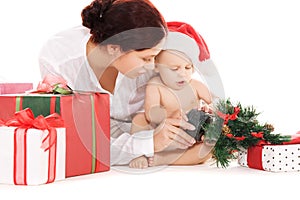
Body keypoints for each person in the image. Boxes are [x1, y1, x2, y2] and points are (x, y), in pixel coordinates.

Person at [38, 0, 197, 167]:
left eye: (154, 58)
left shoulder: (152, 49)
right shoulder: (60, 60)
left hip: (146, 133)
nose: (152, 65)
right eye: (146, 59)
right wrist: (150, 143)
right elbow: (81, 144)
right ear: (114, 48)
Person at [129, 22, 217, 169]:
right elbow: (151, 112)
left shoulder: (195, 86)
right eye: (174, 68)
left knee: (209, 147)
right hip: (160, 136)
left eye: (188, 67)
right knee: (139, 119)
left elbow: (219, 103)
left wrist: (210, 108)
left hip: (189, 139)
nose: (182, 73)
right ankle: (141, 154)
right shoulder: (155, 85)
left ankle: (163, 159)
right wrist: (166, 118)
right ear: (156, 66)